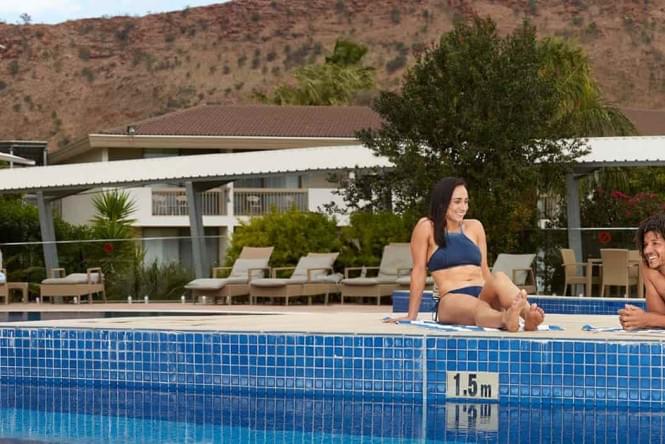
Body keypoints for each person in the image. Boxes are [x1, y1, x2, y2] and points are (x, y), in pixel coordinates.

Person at [385, 177, 544, 332]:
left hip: (482, 292)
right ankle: (505, 319)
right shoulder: (426, 227)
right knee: (478, 308)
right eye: (457, 201)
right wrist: (411, 315)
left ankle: (528, 315)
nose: (463, 207)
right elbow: (419, 271)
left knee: (499, 277)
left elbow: (484, 271)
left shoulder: (475, 227)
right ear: (442, 202)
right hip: (452, 299)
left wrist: (498, 292)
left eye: (466, 201)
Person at [619, 213, 665, 330]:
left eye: (655, 243)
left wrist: (646, 319)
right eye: (645, 245)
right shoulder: (649, 268)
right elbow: (658, 316)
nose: (647, 250)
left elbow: (654, 319)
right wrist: (636, 318)